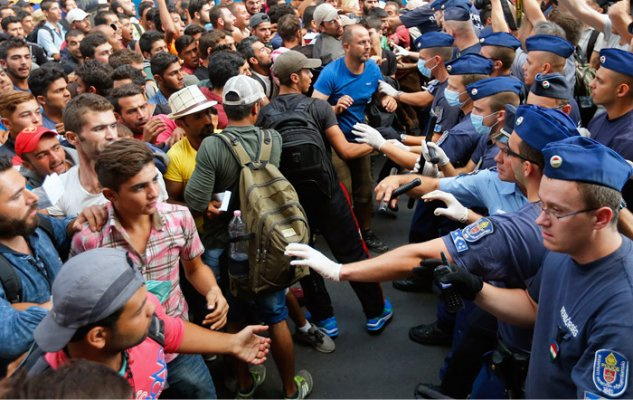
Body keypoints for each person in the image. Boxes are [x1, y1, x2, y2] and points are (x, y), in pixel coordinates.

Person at [435, 136, 633, 398]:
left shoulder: (622, 312)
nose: (540, 220)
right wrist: (476, 290)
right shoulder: (564, 249)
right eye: (542, 205)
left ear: (601, 218)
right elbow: (534, 307)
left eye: (556, 211)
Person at [184, 75, 313, 399]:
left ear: (225, 109)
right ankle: (289, 388)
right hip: (268, 246)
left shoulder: (213, 146)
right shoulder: (272, 139)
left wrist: (212, 202)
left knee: (234, 316)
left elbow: (195, 201)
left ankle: (244, 384)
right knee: (276, 316)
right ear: (256, 107)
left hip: (224, 246)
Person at [71, 139, 228, 398]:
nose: (154, 192)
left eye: (155, 179)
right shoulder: (89, 240)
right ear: (111, 195)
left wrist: (213, 290)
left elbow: (195, 268)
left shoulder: (179, 218)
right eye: (139, 187)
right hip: (124, 353)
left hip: (178, 345)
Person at [258, 50, 391, 339]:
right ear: (295, 77)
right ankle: (376, 311)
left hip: (291, 201)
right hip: (328, 192)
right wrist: (381, 144)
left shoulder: (265, 114)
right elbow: (346, 151)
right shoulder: (318, 108)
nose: (311, 76)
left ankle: (325, 318)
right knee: (352, 250)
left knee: (305, 256)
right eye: (307, 71)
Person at [30, 248, 270, 399]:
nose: (153, 307)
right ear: (98, 336)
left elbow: (171, 332)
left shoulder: (147, 323)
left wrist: (233, 343)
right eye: (138, 310)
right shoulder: (52, 391)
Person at [0, 155, 101, 376]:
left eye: (26, 188)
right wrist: (76, 299)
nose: (33, 197)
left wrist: (77, 222)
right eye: (17, 196)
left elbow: (62, 228)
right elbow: (9, 336)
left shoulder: (33, 225)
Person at [313, 24, 396, 253]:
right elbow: (314, 110)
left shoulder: (372, 69)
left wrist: (386, 99)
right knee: (344, 191)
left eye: (368, 41)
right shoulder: (331, 73)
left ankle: (366, 231)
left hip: (360, 135)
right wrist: (335, 108)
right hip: (335, 137)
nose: (368, 46)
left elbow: (378, 93)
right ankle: (346, 235)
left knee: (364, 190)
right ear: (347, 46)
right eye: (362, 43)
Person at [46, 93, 168, 218]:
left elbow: (163, 224)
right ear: (72, 137)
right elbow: (53, 227)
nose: (112, 135)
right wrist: (74, 223)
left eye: (113, 126)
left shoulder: (148, 174)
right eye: (99, 129)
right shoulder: (57, 187)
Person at [164, 85, 217, 202]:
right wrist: (201, 208)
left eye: (207, 113)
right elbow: (171, 201)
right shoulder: (175, 157)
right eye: (198, 117)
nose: (207, 121)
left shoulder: (226, 139)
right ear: (180, 124)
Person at [27, 66, 70, 134]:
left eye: (66, 88)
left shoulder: (81, 113)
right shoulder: (37, 126)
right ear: (41, 99)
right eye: (59, 91)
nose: (67, 93)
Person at [0, 91, 41, 161]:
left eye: (37, 112)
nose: (37, 119)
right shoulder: (3, 159)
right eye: (26, 115)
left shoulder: (53, 140)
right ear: (7, 123)